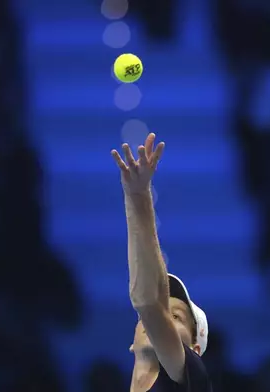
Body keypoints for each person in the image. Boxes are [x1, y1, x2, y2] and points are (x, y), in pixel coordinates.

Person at [111, 134, 213, 392]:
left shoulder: (195, 381)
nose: (160, 319)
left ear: (194, 350)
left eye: (175, 317)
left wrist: (138, 196)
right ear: (131, 343)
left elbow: (148, 302)